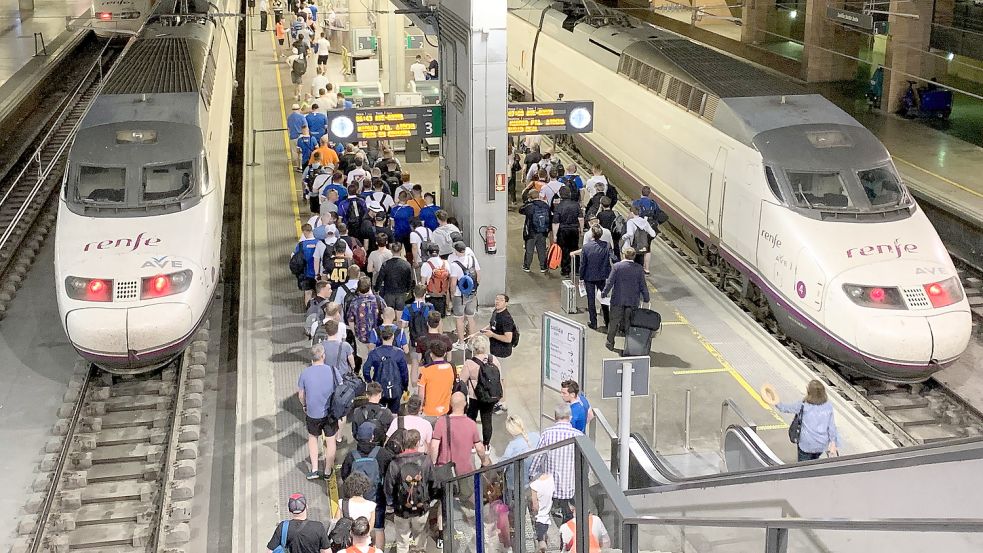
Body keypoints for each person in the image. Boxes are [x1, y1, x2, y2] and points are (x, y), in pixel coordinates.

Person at [763, 380, 841, 461]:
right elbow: (831, 427)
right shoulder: (828, 406)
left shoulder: (803, 405)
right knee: (815, 461)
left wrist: (773, 400)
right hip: (821, 445)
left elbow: (784, 408)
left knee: (803, 466)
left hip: (806, 445)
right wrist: (833, 442)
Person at [531, 403, 583, 523]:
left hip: (551, 486)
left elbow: (538, 457)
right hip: (570, 485)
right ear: (570, 417)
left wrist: (532, 475)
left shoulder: (547, 434)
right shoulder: (578, 435)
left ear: (555, 417)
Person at [384, 429, 433, 553]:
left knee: (402, 541)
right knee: (420, 537)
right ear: (417, 443)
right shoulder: (426, 461)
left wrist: (391, 504)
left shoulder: (395, 463)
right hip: (421, 507)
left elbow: (388, 488)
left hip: (401, 509)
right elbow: (433, 482)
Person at [297, 343, 342, 480]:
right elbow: (340, 389)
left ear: (311, 358)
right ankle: (328, 470)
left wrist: (305, 405)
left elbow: (301, 395)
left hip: (313, 413)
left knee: (313, 438)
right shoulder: (333, 371)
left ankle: (315, 469)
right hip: (330, 413)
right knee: (330, 441)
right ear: (323, 356)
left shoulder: (305, 373)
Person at [430, 393, 493, 489]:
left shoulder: (441, 422)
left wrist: (433, 463)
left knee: (447, 496)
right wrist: (484, 461)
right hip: (464, 470)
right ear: (465, 404)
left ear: (450, 404)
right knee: (465, 494)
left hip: (445, 469)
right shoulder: (471, 424)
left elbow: (434, 446)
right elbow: (479, 448)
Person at [602, 247, 649, 352]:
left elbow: (610, 282)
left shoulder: (617, 267)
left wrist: (604, 293)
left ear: (624, 255)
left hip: (617, 300)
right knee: (630, 325)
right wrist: (646, 298)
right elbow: (643, 286)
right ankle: (629, 347)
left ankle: (610, 343)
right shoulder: (639, 268)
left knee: (613, 322)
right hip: (632, 301)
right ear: (634, 256)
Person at [459, 336, 503, 448]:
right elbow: (500, 378)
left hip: (474, 396)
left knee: (471, 418)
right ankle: (486, 444)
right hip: (490, 395)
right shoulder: (493, 360)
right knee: (487, 420)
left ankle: (472, 442)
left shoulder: (469, 363)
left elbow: (462, 381)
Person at [265, 493, 330, 553]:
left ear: (290, 510)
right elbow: (326, 551)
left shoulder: (283, 527)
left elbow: (269, 551)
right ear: (306, 507)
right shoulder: (318, 527)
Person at [362, 331, 409, 413]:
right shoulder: (399, 353)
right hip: (396, 387)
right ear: (393, 337)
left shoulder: (374, 353)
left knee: (379, 412)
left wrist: (369, 381)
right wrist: (405, 387)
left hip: (379, 387)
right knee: (394, 413)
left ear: (381, 337)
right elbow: (404, 372)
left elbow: (366, 369)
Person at [579, 226, 612, 330]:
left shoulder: (586, 247)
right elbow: (609, 260)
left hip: (589, 276)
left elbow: (583, 264)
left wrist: (581, 276)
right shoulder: (606, 245)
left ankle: (593, 322)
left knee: (591, 299)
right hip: (602, 275)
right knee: (604, 299)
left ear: (592, 234)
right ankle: (607, 321)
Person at [448, 240, 480, 347]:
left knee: (459, 318)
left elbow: (453, 283)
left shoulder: (455, 265)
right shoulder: (472, 259)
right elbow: (478, 276)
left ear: (456, 251)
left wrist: (452, 295)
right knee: (470, 317)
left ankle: (461, 343)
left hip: (459, 295)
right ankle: (473, 342)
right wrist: (474, 290)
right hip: (472, 293)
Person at [346, 277, 387, 355]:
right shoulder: (378, 300)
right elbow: (387, 315)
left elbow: (350, 320)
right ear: (370, 287)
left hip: (361, 337)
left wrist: (355, 334)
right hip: (377, 338)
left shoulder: (354, 302)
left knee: (364, 361)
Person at [418, 340, 455, 421]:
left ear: (431, 354)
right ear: (445, 353)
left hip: (428, 412)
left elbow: (421, 394)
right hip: (445, 410)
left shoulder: (425, 370)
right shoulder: (450, 368)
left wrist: (420, 408)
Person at [552, 187, 584, 277]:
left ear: (560, 195)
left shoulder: (559, 206)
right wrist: (581, 230)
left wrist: (554, 235)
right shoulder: (576, 205)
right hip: (574, 230)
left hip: (563, 231)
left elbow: (556, 222)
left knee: (564, 250)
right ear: (569, 194)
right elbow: (581, 218)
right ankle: (576, 268)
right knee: (575, 248)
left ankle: (565, 270)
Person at [519, 189, 552, 273]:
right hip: (543, 231)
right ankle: (543, 267)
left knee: (529, 250)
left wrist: (527, 202)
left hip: (531, 232)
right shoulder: (545, 205)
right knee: (542, 250)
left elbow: (521, 210)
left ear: (530, 197)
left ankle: (527, 266)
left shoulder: (529, 206)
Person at [375, 242, 414, 311]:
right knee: (400, 314)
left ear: (391, 250)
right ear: (401, 250)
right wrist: (408, 290)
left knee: (389, 314)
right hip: (401, 293)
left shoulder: (385, 264)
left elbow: (380, 278)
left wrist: (376, 289)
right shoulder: (407, 265)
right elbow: (409, 279)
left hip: (388, 292)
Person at [528, 468, 555, 553]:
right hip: (547, 517)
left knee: (541, 543)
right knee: (544, 536)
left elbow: (535, 506)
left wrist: (532, 513)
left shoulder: (535, 485)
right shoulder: (551, 480)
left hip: (539, 518)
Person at [624, 205, 657, 274]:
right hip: (642, 248)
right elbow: (653, 234)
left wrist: (623, 237)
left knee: (631, 265)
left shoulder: (631, 222)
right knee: (640, 266)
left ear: (632, 213)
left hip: (633, 247)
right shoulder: (644, 221)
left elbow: (630, 233)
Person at [482, 293, 515, 360]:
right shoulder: (495, 311)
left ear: (506, 303)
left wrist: (492, 335)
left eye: (501, 300)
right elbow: (492, 324)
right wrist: (483, 330)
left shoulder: (506, 319)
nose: (498, 301)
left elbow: (508, 339)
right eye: (497, 299)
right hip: (494, 349)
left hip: (502, 353)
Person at [420, 244, 451, 316]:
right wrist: (448, 303)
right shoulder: (445, 263)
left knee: (430, 319)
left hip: (430, 297)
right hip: (442, 296)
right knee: (440, 320)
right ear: (438, 252)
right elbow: (448, 281)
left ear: (428, 253)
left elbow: (422, 284)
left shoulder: (426, 265)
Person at [294, 223, 319, 306]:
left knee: (308, 293)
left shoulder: (301, 245)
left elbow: (294, 257)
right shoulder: (319, 243)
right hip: (318, 273)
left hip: (306, 273)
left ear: (304, 232)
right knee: (318, 293)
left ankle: (308, 311)